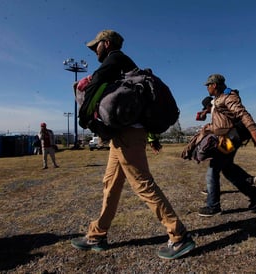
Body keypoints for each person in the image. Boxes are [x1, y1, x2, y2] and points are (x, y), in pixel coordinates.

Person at [70, 30, 195, 260]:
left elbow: (95, 83)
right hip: (123, 135)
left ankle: (179, 236)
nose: (94, 50)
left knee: (142, 184)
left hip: (128, 135)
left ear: (106, 44)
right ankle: (97, 235)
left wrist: (84, 113)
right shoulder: (126, 66)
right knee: (111, 183)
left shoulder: (115, 58)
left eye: (96, 46)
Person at [198, 74, 256, 217]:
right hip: (226, 138)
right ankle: (254, 193)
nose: (207, 88)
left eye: (208, 85)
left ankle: (213, 205)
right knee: (227, 168)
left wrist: (254, 133)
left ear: (214, 85)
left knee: (214, 169)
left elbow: (242, 114)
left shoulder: (228, 97)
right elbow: (221, 120)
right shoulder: (218, 99)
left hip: (229, 140)